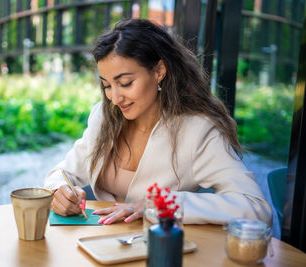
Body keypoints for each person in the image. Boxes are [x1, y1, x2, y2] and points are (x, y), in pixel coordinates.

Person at [43, 18, 272, 226]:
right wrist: (58, 191)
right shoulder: (104, 116)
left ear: (159, 71)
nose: (114, 97)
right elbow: (64, 172)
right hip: (101, 246)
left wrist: (158, 204)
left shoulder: (196, 130)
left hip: (162, 250)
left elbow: (254, 207)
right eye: (106, 85)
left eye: (125, 83)